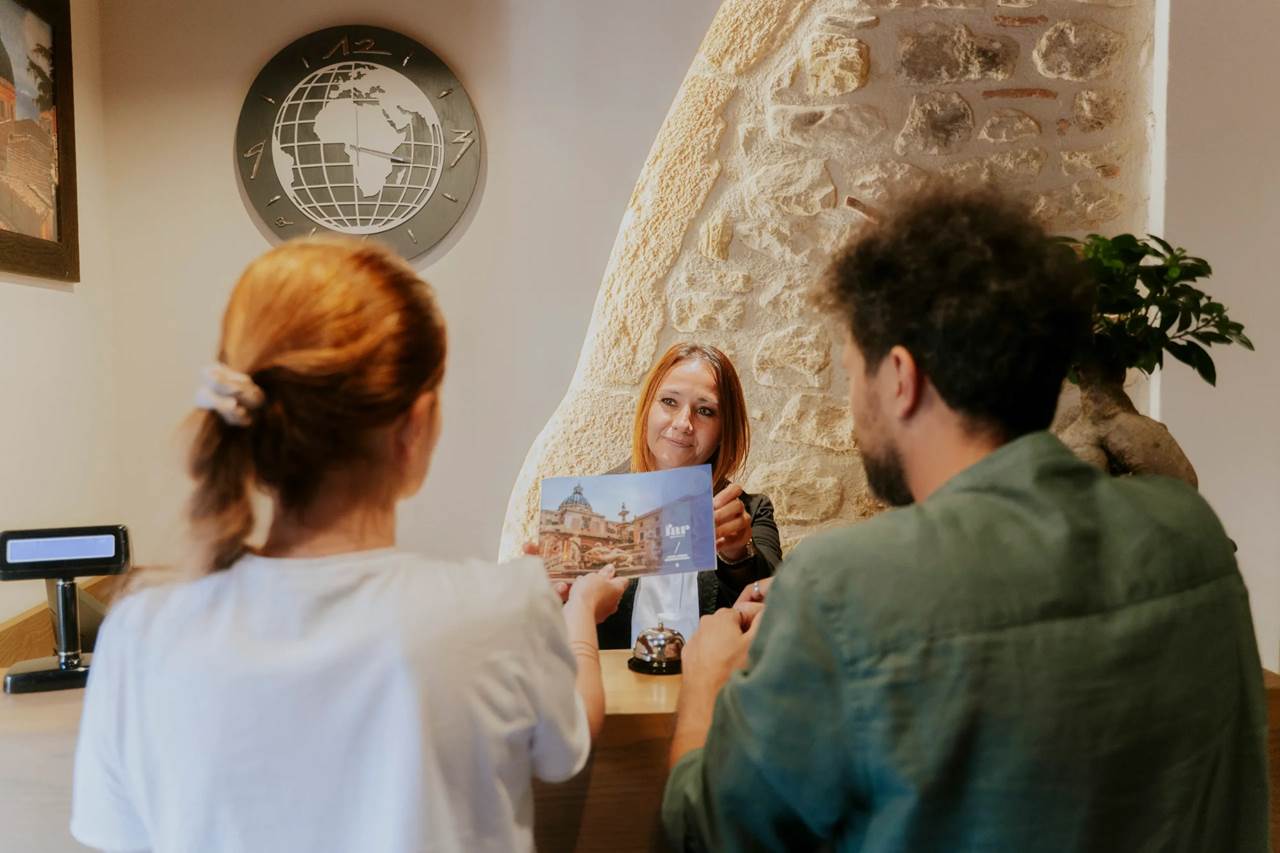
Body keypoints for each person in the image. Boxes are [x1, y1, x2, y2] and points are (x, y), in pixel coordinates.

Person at [661, 190, 1269, 851]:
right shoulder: (1193, 533)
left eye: (854, 374)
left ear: (900, 377)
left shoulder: (839, 584)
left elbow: (702, 837)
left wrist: (705, 684)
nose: (855, 411)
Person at [70, 238, 628, 853]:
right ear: (415, 427)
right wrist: (577, 610)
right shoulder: (503, 608)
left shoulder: (141, 630)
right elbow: (570, 741)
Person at [593, 342, 781, 650]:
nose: (683, 423)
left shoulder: (749, 511)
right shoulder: (597, 503)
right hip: (611, 679)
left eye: (705, 410)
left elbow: (776, 606)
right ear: (647, 409)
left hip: (709, 678)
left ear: (724, 430)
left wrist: (738, 553)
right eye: (669, 401)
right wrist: (551, 595)